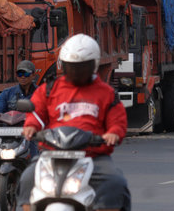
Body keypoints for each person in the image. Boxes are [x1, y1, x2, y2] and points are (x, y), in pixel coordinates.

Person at [18, 34, 131, 211]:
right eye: (72, 67)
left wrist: (114, 132)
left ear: (93, 65)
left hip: (93, 156)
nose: (76, 72)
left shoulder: (105, 93)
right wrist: (31, 126)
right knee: (27, 178)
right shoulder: (49, 89)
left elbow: (117, 120)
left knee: (115, 182)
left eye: (81, 67)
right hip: (52, 154)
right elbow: (37, 113)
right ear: (64, 65)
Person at [0, 59, 39, 158]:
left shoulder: (40, 93)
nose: (23, 77)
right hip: (8, 133)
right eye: (20, 74)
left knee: (34, 152)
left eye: (26, 73)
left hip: (30, 133)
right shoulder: (7, 92)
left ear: (33, 75)